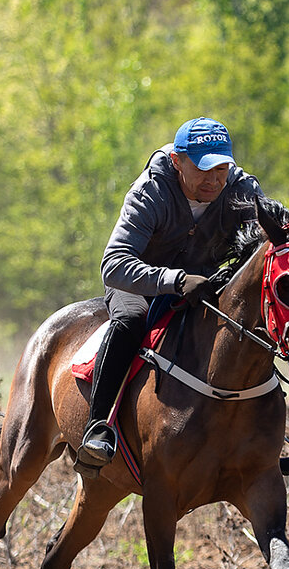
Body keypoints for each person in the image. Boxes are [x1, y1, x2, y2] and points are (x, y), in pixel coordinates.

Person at [78, 117, 264, 471]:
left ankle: (265, 434)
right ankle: (98, 428)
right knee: (131, 321)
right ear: (178, 161)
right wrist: (175, 280)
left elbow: (271, 241)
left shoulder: (242, 189)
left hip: (206, 284)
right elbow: (113, 264)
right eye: (204, 169)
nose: (214, 180)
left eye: (222, 167)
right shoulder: (151, 190)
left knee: (247, 322)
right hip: (137, 285)